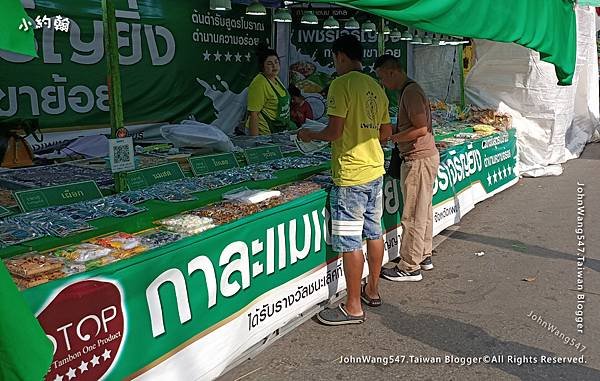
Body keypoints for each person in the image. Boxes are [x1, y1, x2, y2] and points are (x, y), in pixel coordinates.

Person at [298, 35, 391, 325]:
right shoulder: (376, 87)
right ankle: (372, 290)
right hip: (375, 170)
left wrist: (310, 134)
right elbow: (386, 134)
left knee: (351, 241)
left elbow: (334, 132)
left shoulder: (341, 85)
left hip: (351, 176)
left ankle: (353, 307)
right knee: (374, 233)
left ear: (340, 56)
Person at [374, 54, 440, 282]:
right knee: (424, 210)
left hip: (418, 158)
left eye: (382, 78)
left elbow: (421, 128)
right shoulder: (409, 91)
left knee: (412, 214)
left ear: (392, 72)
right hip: (424, 157)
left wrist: (394, 137)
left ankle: (410, 266)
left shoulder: (410, 92)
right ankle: (424, 254)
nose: (383, 83)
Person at [245, 45, 294, 136]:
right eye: (269, 63)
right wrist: (255, 141)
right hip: (262, 133)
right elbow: (253, 115)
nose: (274, 66)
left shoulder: (275, 78)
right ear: (262, 66)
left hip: (277, 132)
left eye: (276, 62)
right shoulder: (259, 83)